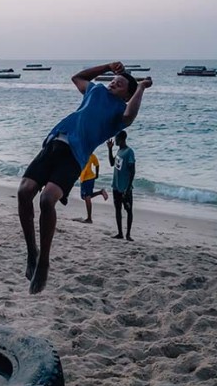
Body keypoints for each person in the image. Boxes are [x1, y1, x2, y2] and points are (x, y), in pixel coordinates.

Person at [18, 62, 152, 294]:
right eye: (113, 80)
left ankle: (44, 262)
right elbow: (77, 77)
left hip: (75, 155)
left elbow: (131, 115)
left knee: (47, 200)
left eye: (119, 84)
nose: (113, 83)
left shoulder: (119, 112)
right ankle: (32, 252)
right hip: (54, 142)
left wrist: (140, 87)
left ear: (127, 95)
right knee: (24, 191)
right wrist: (107, 67)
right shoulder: (96, 90)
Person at [107, 132, 136, 241]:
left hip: (125, 188)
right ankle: (120, 233)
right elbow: (111, 163)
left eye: (116, 138)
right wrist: (109, 149)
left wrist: (128, 188)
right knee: (117, 209)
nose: (115, 140)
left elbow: (132, 171)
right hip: (116, 186)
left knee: (128, 210)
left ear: (122, 139)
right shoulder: (119, 151)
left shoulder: (129, 152)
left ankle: (128, 234)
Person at [75, 152, 108, 224]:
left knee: (87, 198)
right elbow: (97, 164)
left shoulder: (87, 155)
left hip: (88, 179)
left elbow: (97, 164)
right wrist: (97, 174)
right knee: (85, 197)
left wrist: (97, 174)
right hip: (85, 178)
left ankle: (89, 218)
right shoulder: (90, 155)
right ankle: (100, 192)